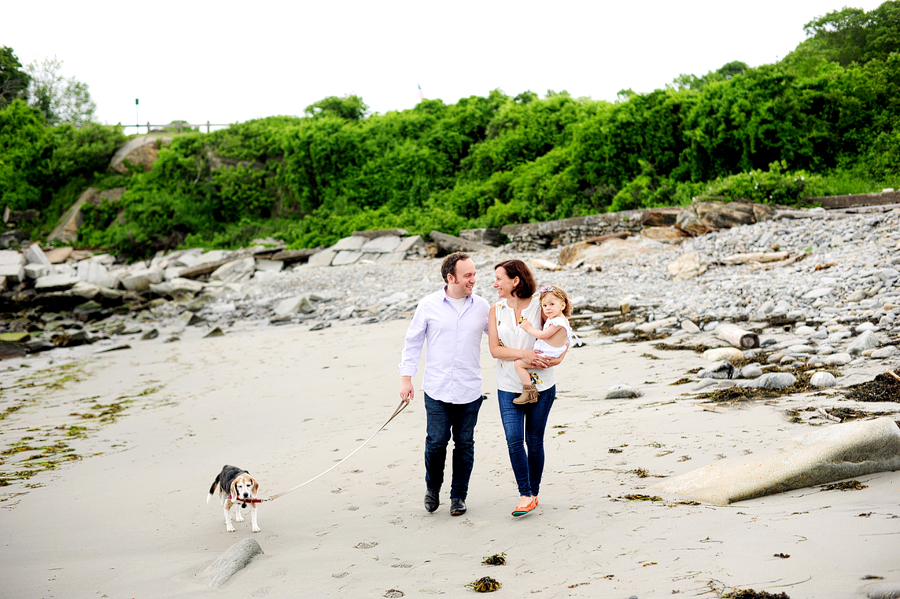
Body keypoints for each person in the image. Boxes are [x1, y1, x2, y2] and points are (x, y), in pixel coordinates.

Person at [398, 252, 490, 517]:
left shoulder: (483, 307)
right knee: (436, 442)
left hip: (470, 388)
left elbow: (501, 338)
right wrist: (406, 378)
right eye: (468, 275)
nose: (474, 279)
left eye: (474, 273)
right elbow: (413, 342)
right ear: (451, 278)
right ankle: (432, 488)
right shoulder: (428, 305)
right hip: (436, 388)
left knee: (465, 444)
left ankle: (458, 495)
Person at [489, 260, 566, 518]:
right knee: (514, 440)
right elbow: (495, 350)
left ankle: (533, 492)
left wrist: (559, 357)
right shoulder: (495, 310)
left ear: (516, 281)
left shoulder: (540, 306)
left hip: (542, 385)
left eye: (499, 278)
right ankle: (525, 494)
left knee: (534, 441)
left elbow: (561, 332)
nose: (495, 283)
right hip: (508, 385)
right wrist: (524, 354)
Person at [513, 285, 574, 405]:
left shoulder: (557, 322)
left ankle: (529, 392)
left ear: (562, 305)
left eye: (552, 304)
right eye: (544, 305)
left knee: (518, 364)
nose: (547, 308)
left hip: (547, 353)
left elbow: (543, 335)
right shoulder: (561, 319)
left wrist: (528, 328)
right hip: (553, 350)